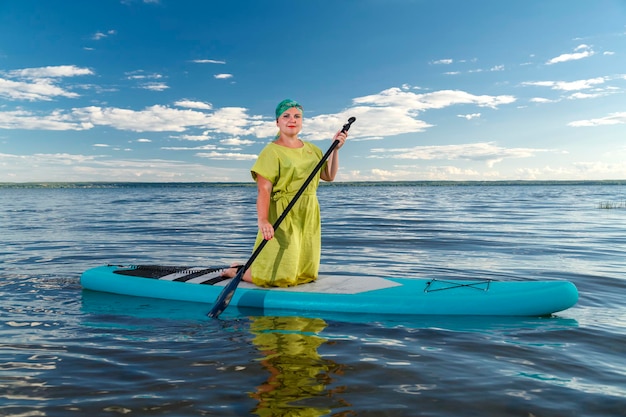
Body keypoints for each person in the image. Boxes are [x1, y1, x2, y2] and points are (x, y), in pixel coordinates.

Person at [222, 99, 347, 287]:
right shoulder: (271, 151)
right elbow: (263, 189)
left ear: (302, 121)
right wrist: (263, 220)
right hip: (282, 211)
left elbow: (329, 176)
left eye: (297, 116)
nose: (292, 120)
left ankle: (244, 266)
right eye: (286, 116)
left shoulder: (313, 149)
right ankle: (236, 271)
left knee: (305, 274)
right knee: (276, 278)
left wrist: (335, 150)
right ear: (277, 122)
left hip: (308, 211)